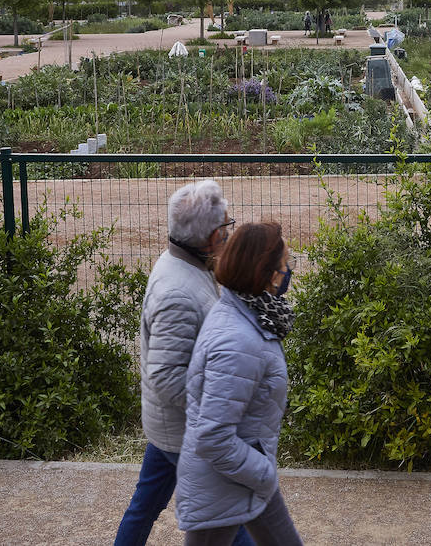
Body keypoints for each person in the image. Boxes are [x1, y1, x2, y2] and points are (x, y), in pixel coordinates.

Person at [113, 180, 253, 546]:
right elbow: (165, 376)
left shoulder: (188, 264)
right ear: (208, 238)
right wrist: (216, 408)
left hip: (170, 428)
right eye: (226, 227)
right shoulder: (178, 291)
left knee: (143, 507)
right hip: (187, 432)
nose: (229, 233)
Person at [176, 222, 302, 546]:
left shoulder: (245, 313)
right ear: (269, 274)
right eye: (286, 263)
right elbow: (213, 437)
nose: (289, 270)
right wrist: (263, 472)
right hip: (228, 482)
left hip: (243, 472)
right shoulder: (238, 339)